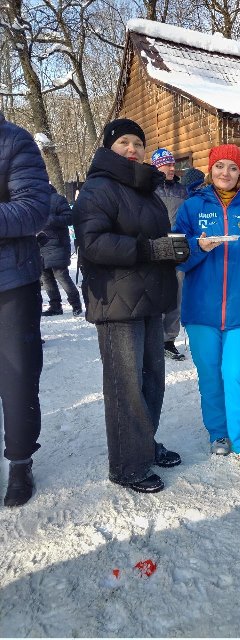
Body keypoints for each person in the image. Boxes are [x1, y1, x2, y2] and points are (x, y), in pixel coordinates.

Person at [73, 118, 190, 494]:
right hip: (116, 301)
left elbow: (153, 238)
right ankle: (127, 465)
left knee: (152, 380)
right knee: (126, 385)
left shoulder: (144, 188)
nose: (132, 148)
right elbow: (92, 244)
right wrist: (148, 249)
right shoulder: (98, 189)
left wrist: (172, 248)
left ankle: (143, 445)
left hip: (149, 297)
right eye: (123, 141)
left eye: (138, 143)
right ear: (109, 147)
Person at [173, 144, 240, 473]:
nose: (225, 173)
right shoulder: (191, 207)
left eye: (232, 167)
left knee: (237, 373)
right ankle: (218, 433)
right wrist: (197, 246)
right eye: (219, 166)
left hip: (239, 310)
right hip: (201, 310)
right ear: (210, 169)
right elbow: (177, 257)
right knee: (210, 375)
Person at [0, 112, 50, 506]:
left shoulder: (14, 141)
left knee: (16, 377)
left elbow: (34, 209)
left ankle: (20, 461)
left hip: (10, 282)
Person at [151, 147, 188, 361]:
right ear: (157, 166)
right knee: (157, 292)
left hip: (178, 243)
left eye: (173, 164)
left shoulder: (182, 190)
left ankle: (168, 339)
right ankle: (153, 337)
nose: (172, 168)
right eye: (167, 164)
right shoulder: (148, 188)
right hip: (156, 244)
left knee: (177, 293)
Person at [38, 184, 82, 317]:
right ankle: (55, 306)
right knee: (46, 277)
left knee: (61, 275)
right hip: (40, 244)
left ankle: (76, 304)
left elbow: (70, 218)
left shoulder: (58, 199)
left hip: (57, 244)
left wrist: (50, 220)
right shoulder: (35, 201)